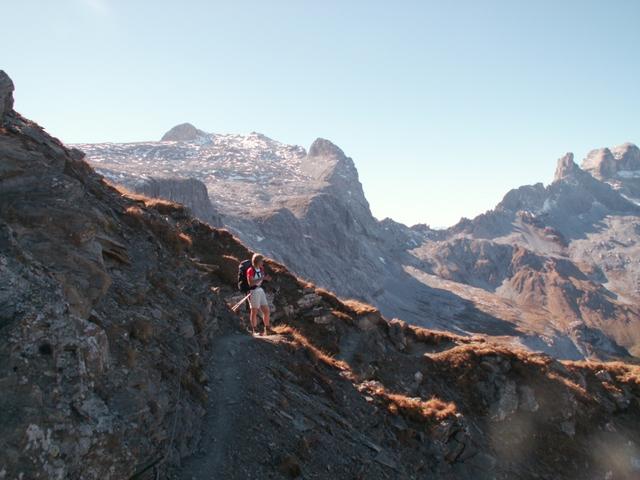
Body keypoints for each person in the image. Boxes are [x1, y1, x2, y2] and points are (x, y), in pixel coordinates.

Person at [246, 253, 272, 335]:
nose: (262, 262)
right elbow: (250, 283)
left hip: (260, 290)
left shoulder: (261, 269)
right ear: (257, 261)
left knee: (266, 311)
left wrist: (266, 279)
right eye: (261, 261)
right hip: (253, 291)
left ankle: (267, 329)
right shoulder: (250, 270)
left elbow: (260, 280)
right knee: (254, 311)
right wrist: (262, 278)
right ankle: (255, 330)